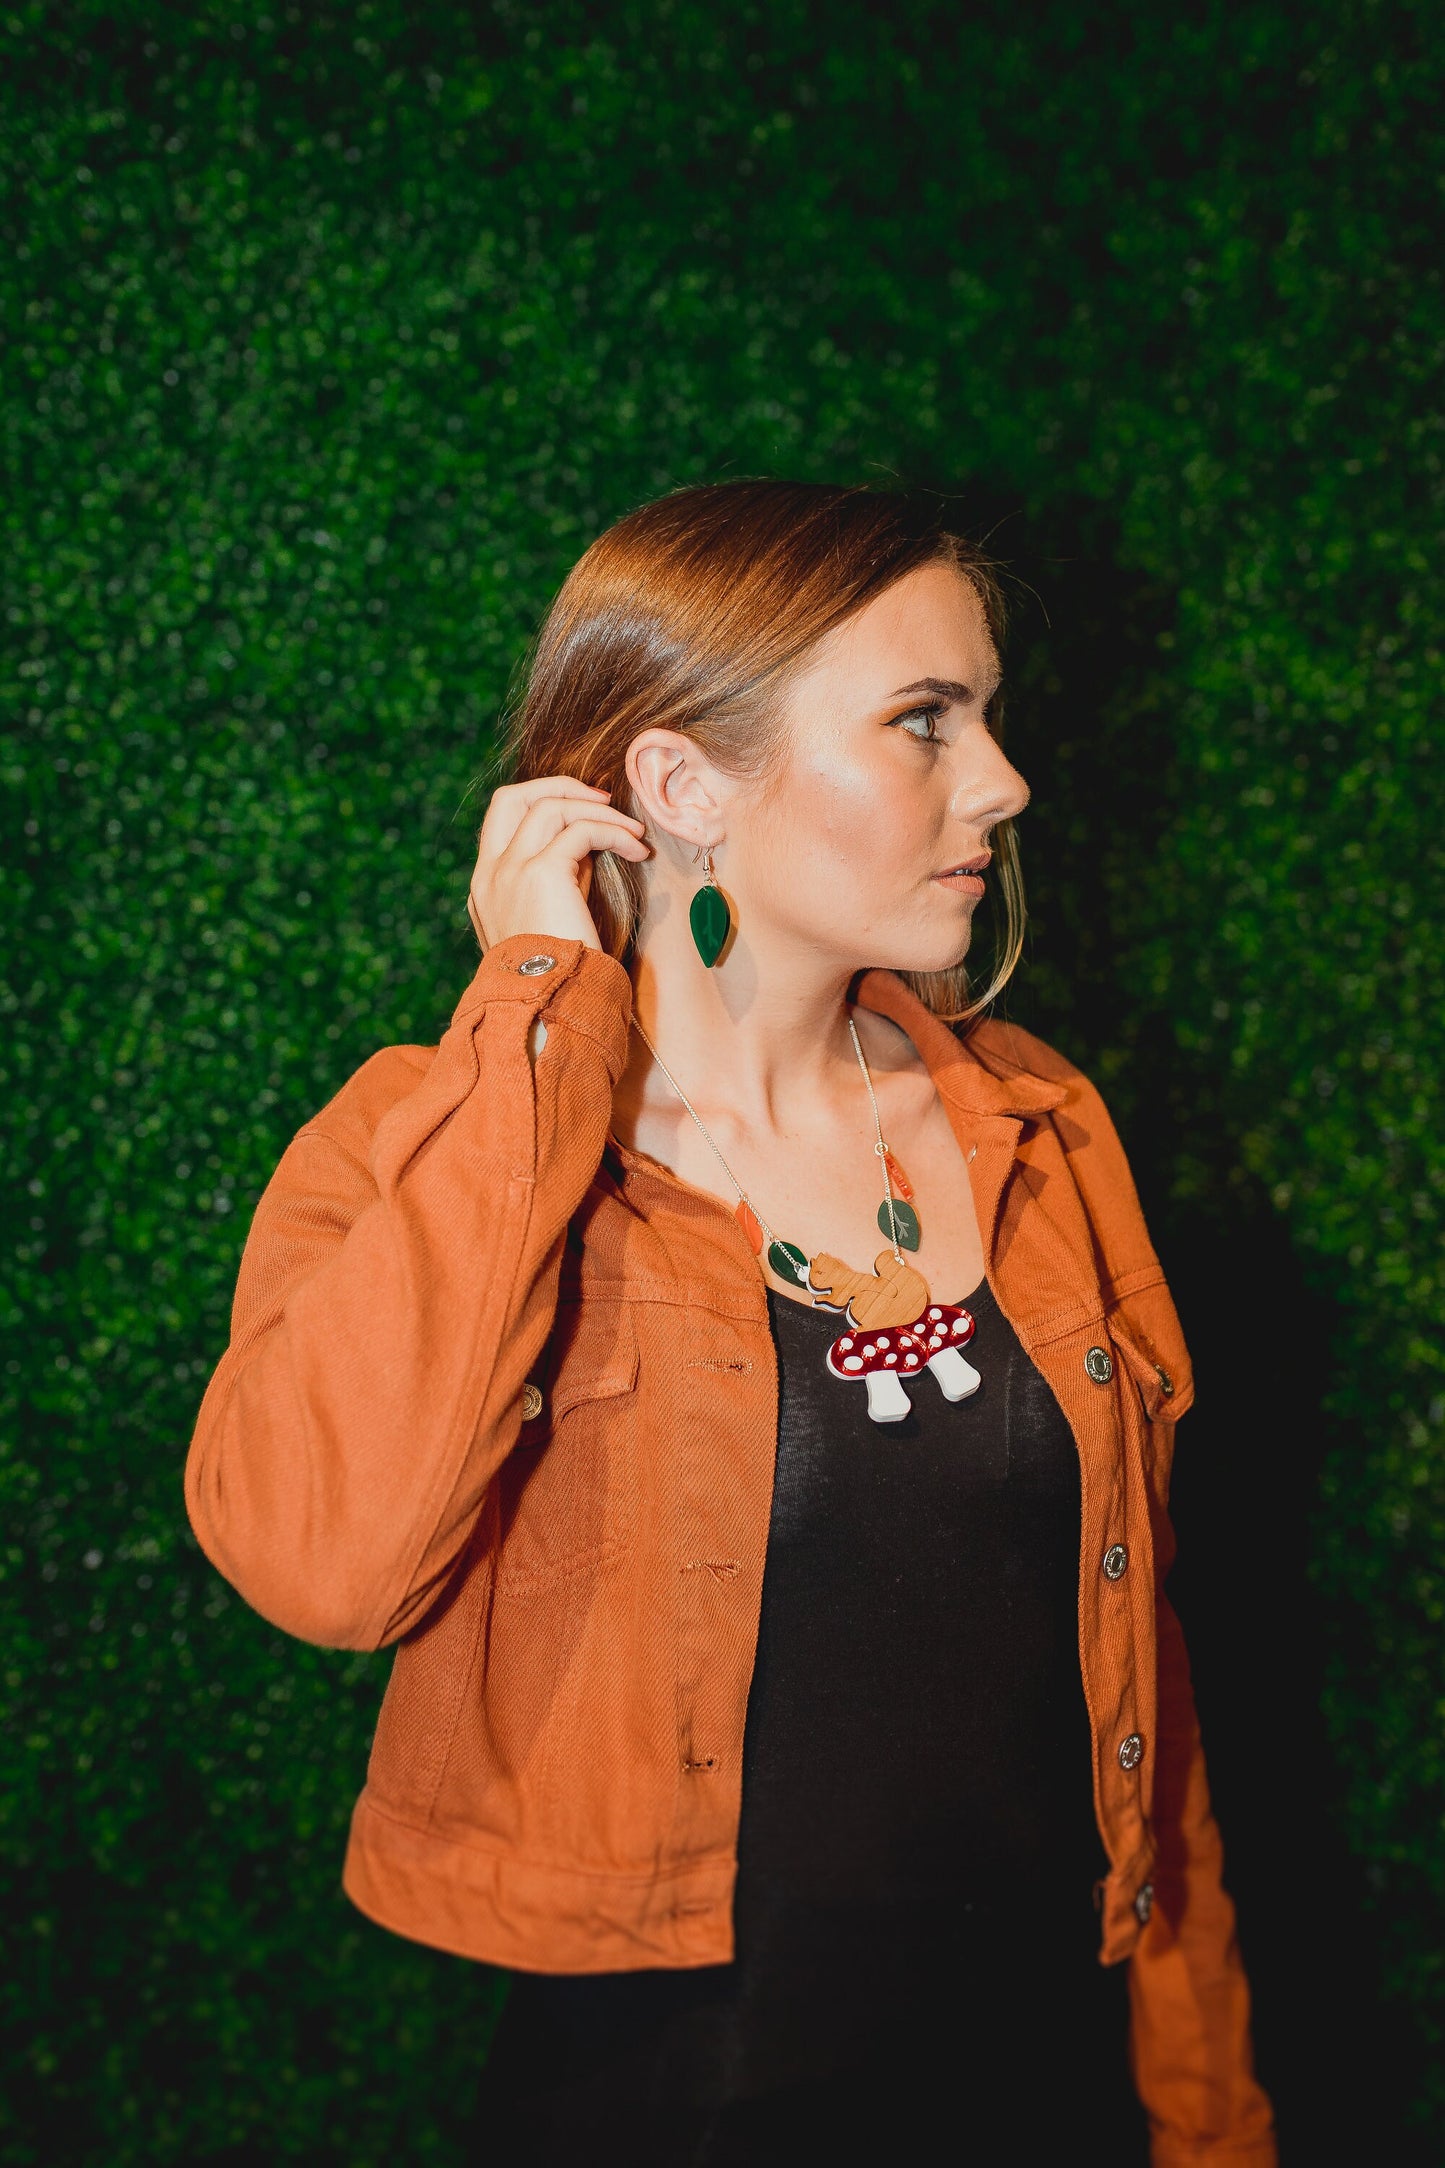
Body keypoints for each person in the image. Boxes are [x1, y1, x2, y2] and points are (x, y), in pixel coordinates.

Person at [186, 481, 1276, 2165]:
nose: (1000, 780)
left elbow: (1147, 1669)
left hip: (1052, 2091)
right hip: (677, 2113)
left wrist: (1207, 2109)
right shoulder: (438, 1146)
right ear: (680, 782)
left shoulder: (1042, 1127)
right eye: (923, 719)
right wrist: (537, 1025)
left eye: (984, 714)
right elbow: (330, 1563)